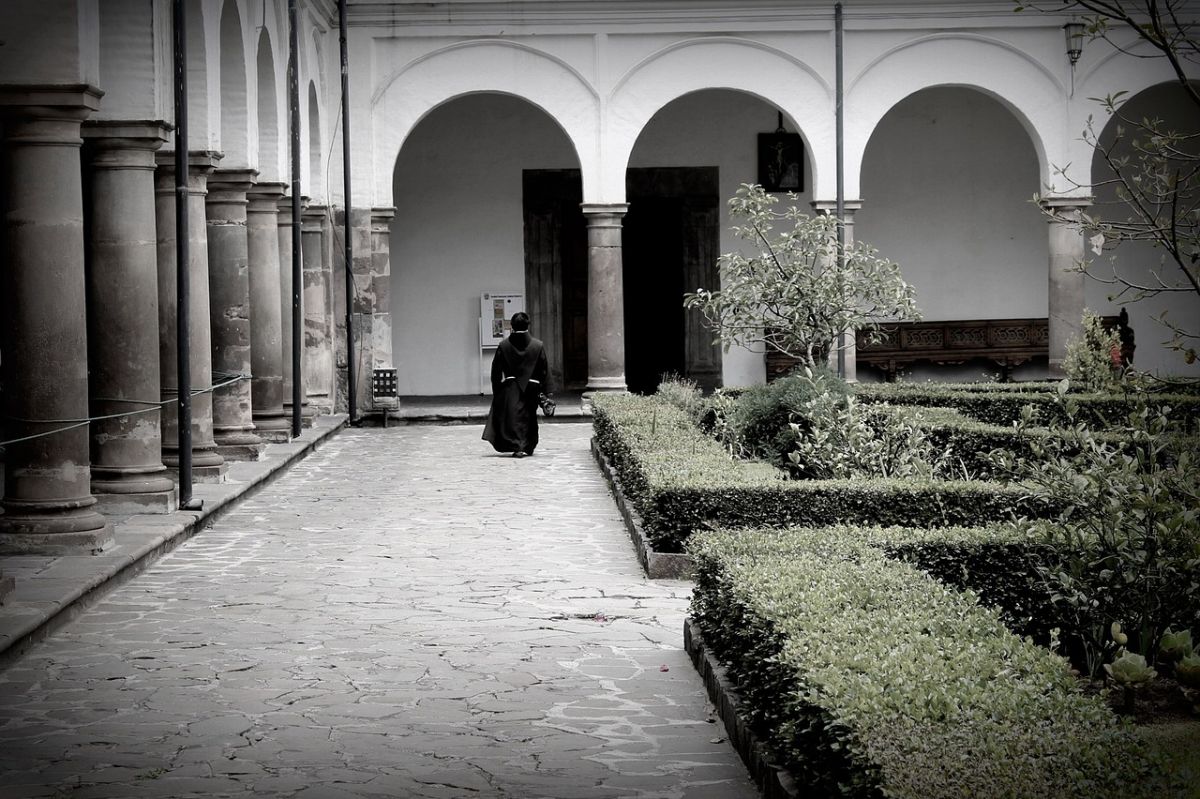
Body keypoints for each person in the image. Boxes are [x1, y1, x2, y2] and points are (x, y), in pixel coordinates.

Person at [483, 312, 550, 458]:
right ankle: (526, 445)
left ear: (512, 326)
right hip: (531, 386)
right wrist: (545, 391)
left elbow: (496, 370)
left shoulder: (504, 345)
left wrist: (498, 390)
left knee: (513, 418)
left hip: (511, 386)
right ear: (528, 325)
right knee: (528, 417)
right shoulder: (537, 345)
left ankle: (517, 445)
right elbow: (543, 369)